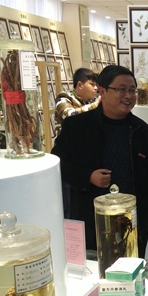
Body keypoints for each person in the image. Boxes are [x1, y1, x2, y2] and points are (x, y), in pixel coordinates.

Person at [51, 65, 148, 257]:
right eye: (121, 89)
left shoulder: (143, 132)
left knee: (130, 269)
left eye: (132, 90)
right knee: (94, 269)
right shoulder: (76, 127)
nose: (128, 95)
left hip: (131, 221)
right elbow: (58, 164)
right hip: (91, 219)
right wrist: (88, 176)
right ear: (102, 91)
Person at [54, 68, 100, 219]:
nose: (95, 88)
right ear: (79, 84)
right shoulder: (63, 99)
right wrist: (96, 106)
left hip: (86, 157)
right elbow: (70, 115)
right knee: (69, 205)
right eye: (92, 84)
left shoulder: (90, 101)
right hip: (68, 156)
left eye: (96, 85)